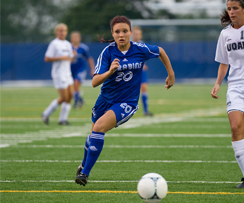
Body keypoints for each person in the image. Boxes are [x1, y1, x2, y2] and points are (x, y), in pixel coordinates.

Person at [75, 15, 175, 186]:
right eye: (117, 32)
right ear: (112, 34)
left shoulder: (140, 48)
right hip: (104, 100)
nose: (121, 35)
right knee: (93, 135)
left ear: (131, 32)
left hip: (126, 103)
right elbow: (94, 82)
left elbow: (160, 51)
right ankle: (83, 165)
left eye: (124, 31)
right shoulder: (108, 52)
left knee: (98, 128)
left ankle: (84, 174)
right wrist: (110, 72)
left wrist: (171, 75)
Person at [211, 0, 244, 188]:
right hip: (236, 87)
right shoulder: (225, 34)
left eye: (235, 8)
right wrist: (217, 84)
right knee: (235, 128)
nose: (231, 12)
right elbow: (224, 62)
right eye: (229, 9)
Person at [41, 23, 75, 125]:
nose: (62, 32)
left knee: (70, 96)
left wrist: (73, 56)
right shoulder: (54, 43)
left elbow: (70, 59)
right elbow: (47, 58)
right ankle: (46, 113)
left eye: (64, 30)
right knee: (64, 97)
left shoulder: (68, 44)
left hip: (67, 73)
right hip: (59, 73)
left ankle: (62, 119)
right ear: (56, 32)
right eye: (60, 30)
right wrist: (61, 57)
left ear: (66, 32)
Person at [70, 31, 95, 108]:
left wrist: (92, 69)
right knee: (73, 88)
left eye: (76, 37)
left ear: (79, 38)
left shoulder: (83, 48)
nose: (75, 39)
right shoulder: (68, 47)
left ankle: (76, 103)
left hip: (80, 69)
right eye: (73, 37)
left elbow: (89, 58)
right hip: (70, 70)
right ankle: (81, 100)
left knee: (76, 83)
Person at [132, 26, 153, 116]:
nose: (136, 35)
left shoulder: (143, 45)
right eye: (135, 33)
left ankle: (145, 111)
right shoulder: (128, 44)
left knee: (144, 88)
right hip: (130, 71)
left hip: (141, 71)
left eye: (138, 34)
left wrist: (143, 64)